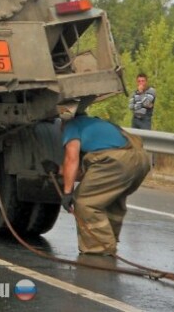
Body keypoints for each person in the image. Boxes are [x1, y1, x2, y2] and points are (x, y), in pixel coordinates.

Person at [58, 104, 151, 255]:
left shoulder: (71, 126)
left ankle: (99, 247)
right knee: (110, 199)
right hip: (141, 159)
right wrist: (59, 170)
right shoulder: (97, 123)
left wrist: (68, 193)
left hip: (117, 160)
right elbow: (86, 172)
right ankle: (110, 239)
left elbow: (71, 159)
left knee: (84, 202)